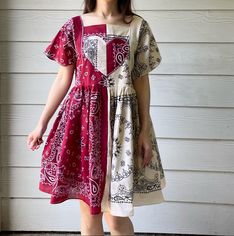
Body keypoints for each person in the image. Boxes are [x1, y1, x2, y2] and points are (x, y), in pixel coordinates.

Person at [27, 0, 166, 235]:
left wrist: (144, 132)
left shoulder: (137, 27)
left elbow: (141, 81)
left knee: (117, 217)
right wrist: (42, 123)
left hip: (124, 127)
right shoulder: (75, 26)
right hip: (84, 125)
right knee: (90, 214)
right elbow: (63, 79)